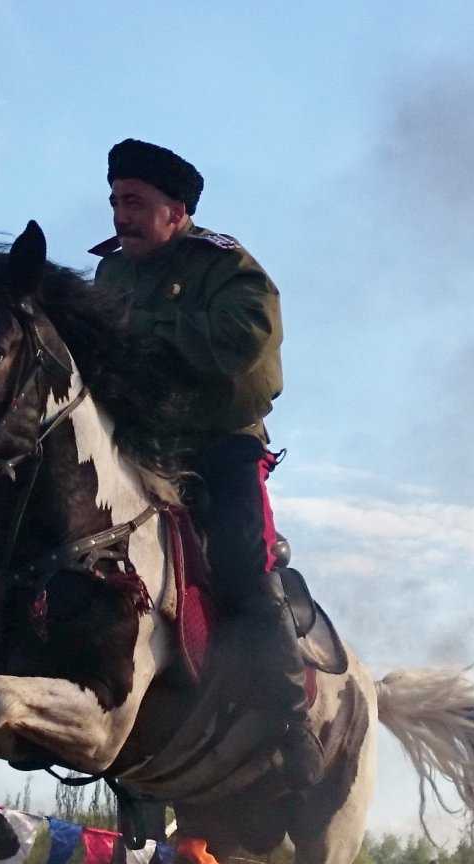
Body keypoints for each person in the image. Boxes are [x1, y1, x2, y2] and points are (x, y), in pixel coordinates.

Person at [92, 138, 320, 789]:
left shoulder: (228, 269)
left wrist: (142, 340)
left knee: (243, 566)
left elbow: (246, 345)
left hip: (218, 447)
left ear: (177, 209)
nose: (119, 215)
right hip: (137, 446)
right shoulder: (109, 275)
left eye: (133, 202)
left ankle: (290, 720)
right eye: (114, 201)